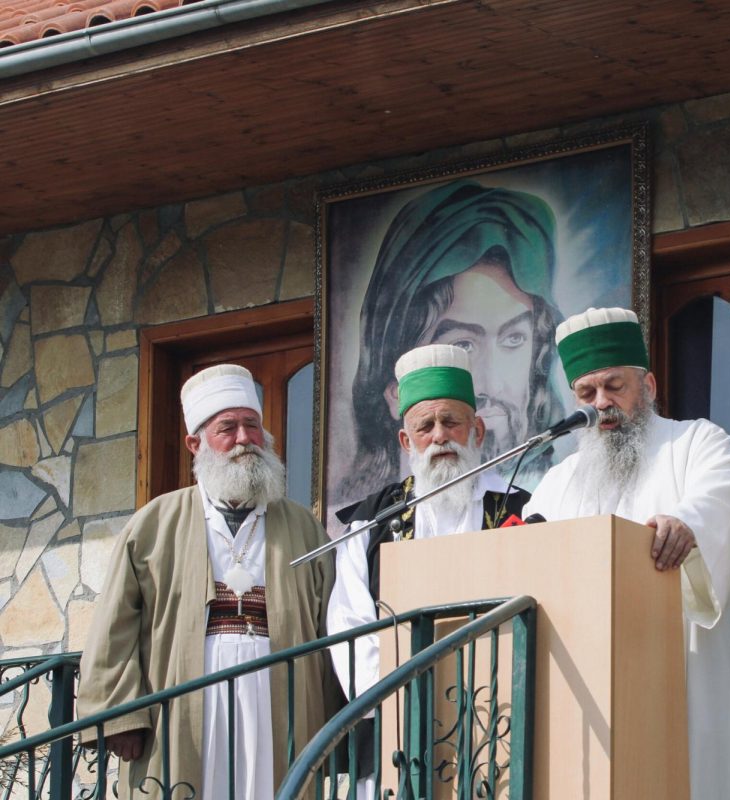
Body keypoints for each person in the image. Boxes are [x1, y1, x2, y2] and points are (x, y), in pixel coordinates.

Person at [524, 307, 730, 800]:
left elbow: (712, 500)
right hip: (590, 700)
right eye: (587, 393)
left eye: (615, 386)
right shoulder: (557, 483)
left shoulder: (697, 442)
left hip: (684, 688)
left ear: (648, 386)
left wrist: (685, 524)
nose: (601, 403)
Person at [77, 364, 335, 799]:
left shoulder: (304, 528)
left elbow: (335, 620)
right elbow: (114, 626)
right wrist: (120, 714)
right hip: (184, 705)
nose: (243, 440)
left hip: (279, 699)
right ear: (195, 444)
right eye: (227, 428)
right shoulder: (154, 523)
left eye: (252, 426)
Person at [326, 343, 531, 792]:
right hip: (398, 723)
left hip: (496, 720)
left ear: (476, 430)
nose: (439, 436)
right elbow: (349, 626)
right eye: (425, 425)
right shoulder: (370, 522)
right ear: (406, 440)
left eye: (451, 422)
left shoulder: (521, 510)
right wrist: (407, 696)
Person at [341, 179, 566, 508]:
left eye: (514, 339)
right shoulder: (367, 526)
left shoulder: (554, 503)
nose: (491, 383)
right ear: (395, 393)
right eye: (463, 345)